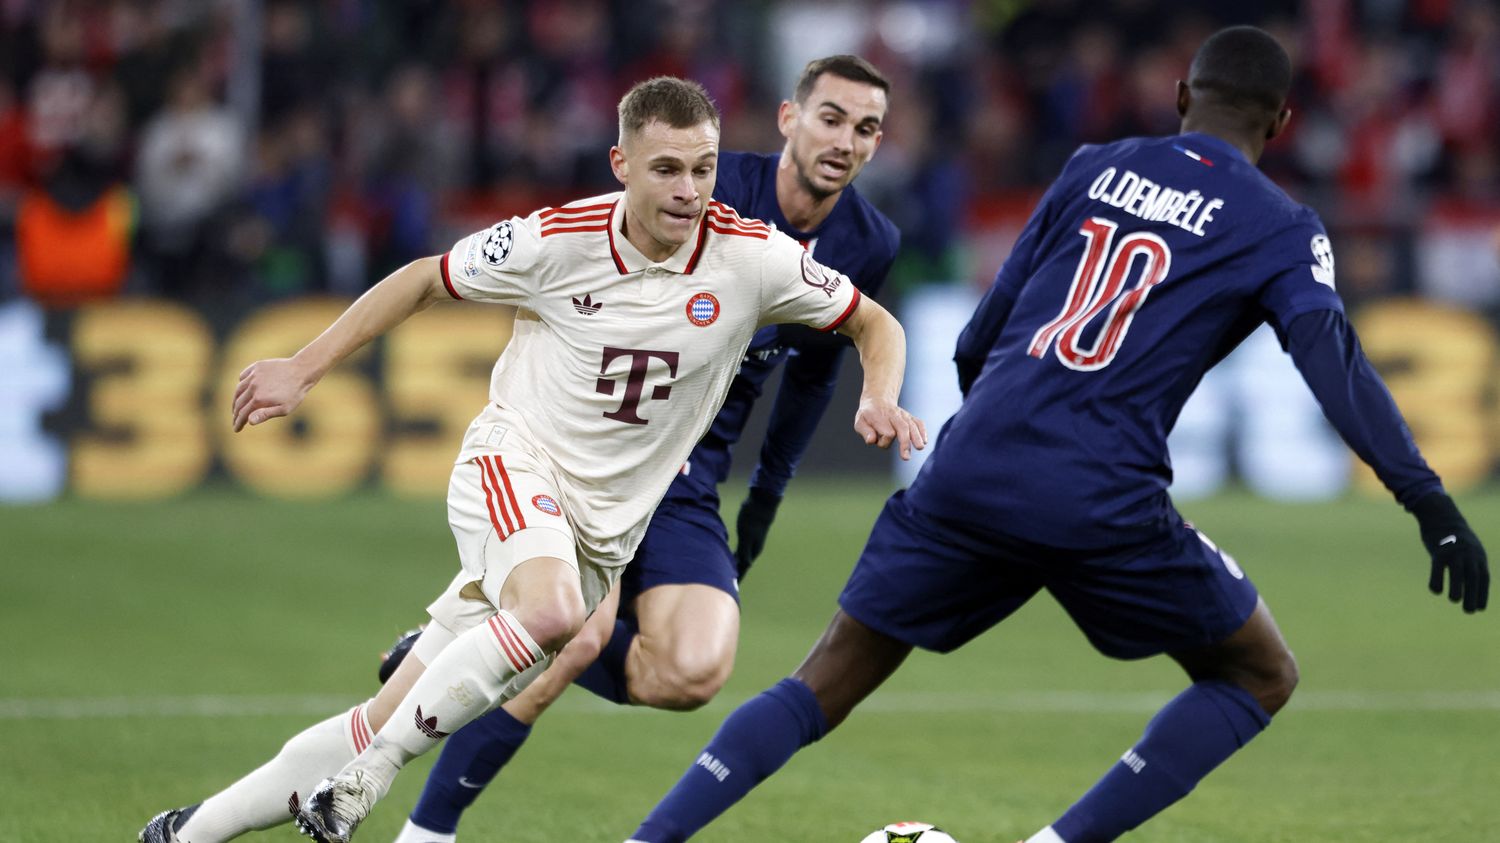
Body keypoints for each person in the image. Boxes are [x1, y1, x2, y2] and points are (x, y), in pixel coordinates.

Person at [621, 27, 1490, 843]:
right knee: (1260, 673)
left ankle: (649, 837)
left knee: (820, 684)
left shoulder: (1095, 166)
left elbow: (978, 337)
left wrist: (998, 440)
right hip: (1102, 492)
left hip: (976, 462)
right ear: (1283, 122)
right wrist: (1426, 497)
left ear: (1183, 95)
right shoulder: (1279, 225)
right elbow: (1332, 362)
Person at [137, 75, 925, 843]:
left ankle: (187, 830)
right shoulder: (558, 238)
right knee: (552, 617)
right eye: (667, 169)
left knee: (388, 709)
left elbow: (875, 324)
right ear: (622, 167)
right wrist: (302, 367)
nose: (690, 190)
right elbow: (422, 280)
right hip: (515, 465)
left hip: (606, 529)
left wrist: (875, 395)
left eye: (704, 168)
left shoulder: (753, 258)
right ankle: (373, 781)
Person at [383, 55, 900, 843]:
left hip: (695, 469)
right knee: (575, 634)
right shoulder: (711, 187)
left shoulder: (869, 239)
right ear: (791, 119)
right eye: (830, 117)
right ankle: (429, 829)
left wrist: (763, 501)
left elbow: (810, 377)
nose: (845, 140)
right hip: (611, 443)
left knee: (693, 670)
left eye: (866, 128)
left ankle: (477, 639)